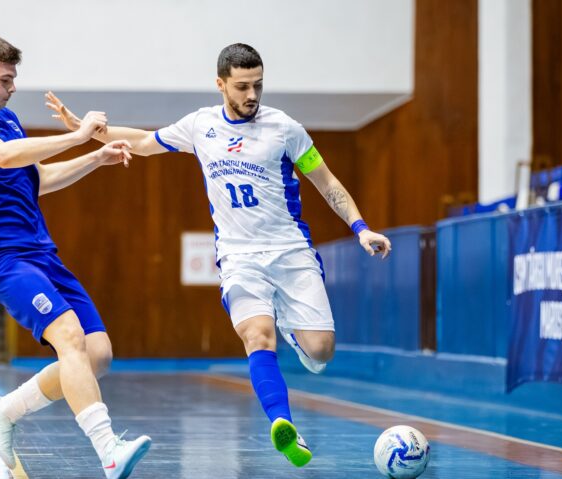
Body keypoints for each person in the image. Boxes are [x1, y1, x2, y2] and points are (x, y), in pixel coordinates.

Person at [45, 43, 392, 468]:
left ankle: (292, 329)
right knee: (256, 336)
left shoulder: (286, 129)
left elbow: (327, 181)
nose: (252, 94)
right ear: (221, 84)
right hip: (238, 256)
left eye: (258, 85)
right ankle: (283, 423)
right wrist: (87, 131)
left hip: (291, 251)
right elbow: (144, 142)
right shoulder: (200, 125)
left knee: (320, 352)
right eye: (242, 86)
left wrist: (361, 227)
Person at [0, 33, 150, 479]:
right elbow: (2, 157)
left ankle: (4, 410)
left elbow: (39, 179)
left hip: (41, 252)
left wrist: (94, 157)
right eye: (5, 79)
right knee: (69, 337)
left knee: (97, 354)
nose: (12, 87)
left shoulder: (8, 119)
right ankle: (109, 450)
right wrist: (76, 135)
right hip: (3, 257)